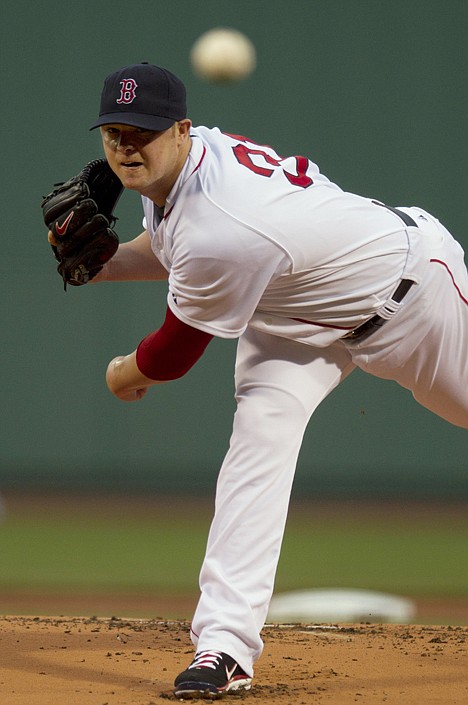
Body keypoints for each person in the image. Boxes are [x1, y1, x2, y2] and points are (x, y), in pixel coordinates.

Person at [69, 62, 467, 698]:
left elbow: (171, 353)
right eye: (113, 131)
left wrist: (120, 376)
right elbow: (175, 250)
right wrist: (106, 265)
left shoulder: (222, 223)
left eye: (140, 131)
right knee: (258, 443)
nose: (124, 145)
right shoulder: (178, 170)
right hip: (291, 313)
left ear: (181, 129)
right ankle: (224, 647)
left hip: (412, 298)